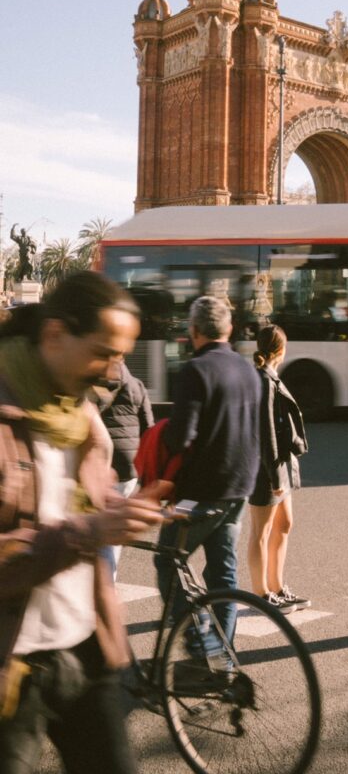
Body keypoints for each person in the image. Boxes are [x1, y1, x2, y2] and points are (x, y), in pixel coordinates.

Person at [0, 271, 165, 774]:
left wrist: (116, 513)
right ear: (54, 334)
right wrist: (84, 533)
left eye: (120, 354)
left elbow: (75, 511)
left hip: (84, 650)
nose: (113, 371)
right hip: (12, 668)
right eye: (103, 352)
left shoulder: (80, 415)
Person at [154, 295, 261, 658]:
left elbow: (181, 437)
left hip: (200, 491)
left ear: (193, 330)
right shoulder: (247, 369)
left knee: (167, 558)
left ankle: (205, 648)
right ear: (228, 329)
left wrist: (161, 434)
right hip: (240, 486)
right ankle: (222, 664)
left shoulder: (195, 370)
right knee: (223, 575)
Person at [247, 325, 310, 613]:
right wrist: (274, 477)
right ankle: (262, 594)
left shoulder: (269, 377)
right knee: (261, 530)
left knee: (284, 524)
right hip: (267, 467)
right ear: (281, 350)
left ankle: (277, 586)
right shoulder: (262, 381)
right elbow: (267, 433)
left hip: (279, 464)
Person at [97, 360, 155, 577]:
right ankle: (110, 577)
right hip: (131, 469)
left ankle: (106, 582)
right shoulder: (137, 385)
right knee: (115, 531)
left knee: (103, 532)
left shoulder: (94, 386)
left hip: (105, 467)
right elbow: (149, 430)